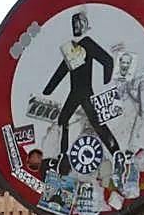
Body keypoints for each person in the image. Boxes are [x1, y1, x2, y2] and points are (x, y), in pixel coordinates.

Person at [43, 10, 120, 174]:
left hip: (85, 92)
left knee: (97, 123)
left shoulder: (87, 43)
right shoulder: (70, 48)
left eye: (78, 23)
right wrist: (48, 90)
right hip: (74, 92)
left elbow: (107, 60)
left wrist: (107, 82)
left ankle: (116, 153)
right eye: (74, 24)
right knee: (63, 120)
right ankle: (63, 157)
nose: (76, 26)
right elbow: (62, 70)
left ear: (84, 24)